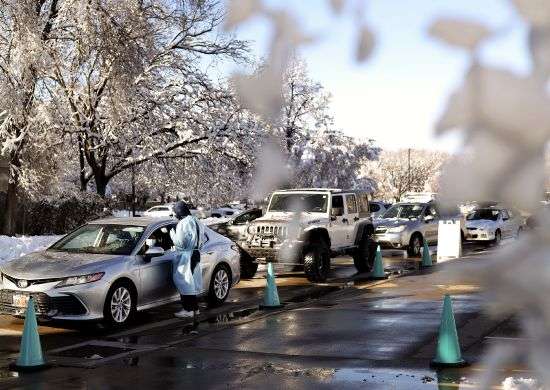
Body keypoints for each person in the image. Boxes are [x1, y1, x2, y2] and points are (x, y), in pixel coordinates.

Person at [170, 201, 204, 318]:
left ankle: (188, 309)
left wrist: (172, 234)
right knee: (191, 282)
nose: (174, 215)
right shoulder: (196, 221)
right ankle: (195, 308)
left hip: (186, 255)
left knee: (185, 282)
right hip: (196, 253)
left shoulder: (183, 223)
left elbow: (181, 243)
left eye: (175, 212)